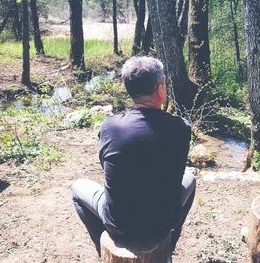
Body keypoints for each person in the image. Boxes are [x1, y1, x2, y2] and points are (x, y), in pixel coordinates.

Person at [71, 56, 196, 256]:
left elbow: (108, 167)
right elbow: (176, 169)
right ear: (160, 88)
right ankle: (168, 247)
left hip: (119, 223)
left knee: (77, 188)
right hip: (163, 223)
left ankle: (102, 250)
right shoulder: (181, 127)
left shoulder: (110, 126)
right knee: (190, 179)